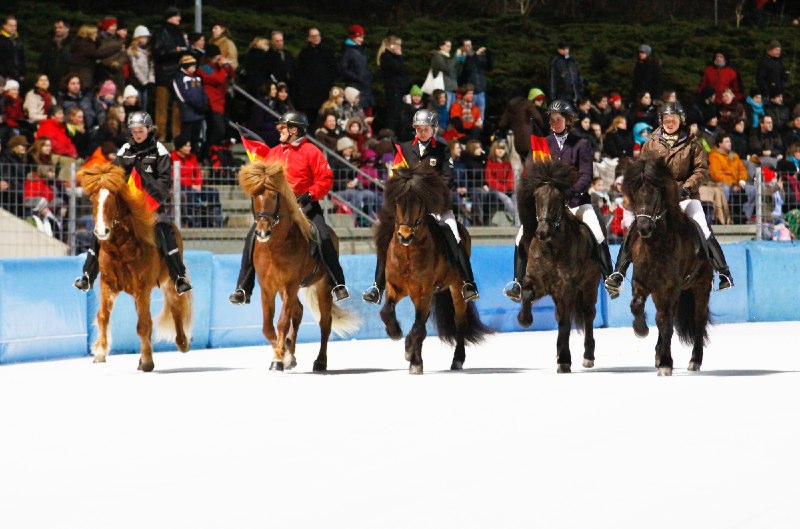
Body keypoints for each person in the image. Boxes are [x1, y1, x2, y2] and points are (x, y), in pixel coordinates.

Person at [604, 102, 734, 297]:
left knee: (701, 226)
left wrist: (685, 188)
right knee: (635, 226)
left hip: (685, 196)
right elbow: (642, 167)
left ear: (680, 121)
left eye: (673, 120)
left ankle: (723, 272)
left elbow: (701, 171)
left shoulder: (692, 143)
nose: (669, 123)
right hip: (658, 199)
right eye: (666, 120)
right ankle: (619, 273)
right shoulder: (651, 142)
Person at [228, 111, 349, 305]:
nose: (280, 131)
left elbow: (325, 179)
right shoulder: (274, 152)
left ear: (295, 130)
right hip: (278, 209)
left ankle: (337, 284)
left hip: (306, 204)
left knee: (323, 235)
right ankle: (243, 288)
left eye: (283, 127)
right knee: (251, 237)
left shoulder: (312, 151)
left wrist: (309, 194)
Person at [362, 108, 479, 305]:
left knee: (453, 232)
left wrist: (429, 196)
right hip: (408, 206)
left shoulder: (442, 148)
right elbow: (396, 176)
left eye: (425, 129)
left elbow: (447, 177)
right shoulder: (404, 149)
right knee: (385, 235)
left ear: (433, 129)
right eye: (418, 129)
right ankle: (378, 286)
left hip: (435, 205)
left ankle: (468, 282)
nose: (421, 133)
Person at [503, 99, 613, 302]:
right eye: (551, 120)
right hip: (548, 206)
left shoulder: (580, 143)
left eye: (558, 119)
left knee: (596, 231)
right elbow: (533, 174)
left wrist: (570, 192)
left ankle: (610, 277)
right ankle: (518, 283)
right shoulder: (543, 145)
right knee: (520, 237)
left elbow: (586, 175)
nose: (554, 123)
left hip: (575, 201)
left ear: (568, 120)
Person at [73, 110, 192, 294]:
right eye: (134, 131)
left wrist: (143, 176)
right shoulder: (124, 150)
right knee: (101, 229)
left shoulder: (160, 151)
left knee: (165, 231)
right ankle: (88, 275)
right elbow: (114, 176)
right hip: (127, 206)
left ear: (149, 129)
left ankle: (178, 277)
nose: (137, 135)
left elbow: (163, 186)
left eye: (141, 131)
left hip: (150, 205)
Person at [153, 7, 189, 142]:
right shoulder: (161, 33)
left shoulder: (179, 33)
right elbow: (158, 52)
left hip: (177, 73)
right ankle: (160, 135)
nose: (179, 18)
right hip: (164, 73)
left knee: (177, 106)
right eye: (176, 16)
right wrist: (175, 51)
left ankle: (177, 136)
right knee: (161, 106)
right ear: (170, 17)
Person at [294, 28, 337, 126]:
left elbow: (333, 70)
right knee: (311, 118)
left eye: (317, 35)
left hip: (324, 91)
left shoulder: (327, 52)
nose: (316, 38)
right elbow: (299, 73)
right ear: (309, 38)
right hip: (309, 94)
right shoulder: (304, 53)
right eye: (313, 36)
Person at [172, 54, 208, 155]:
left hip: (198, 113)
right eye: (192, 66)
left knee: (196, 138)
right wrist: (195, 105)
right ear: (186, 66)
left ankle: (194, 158)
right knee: (186, 137)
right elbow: (183, 95)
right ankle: (185, 158)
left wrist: (204, 104)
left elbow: (202, 92)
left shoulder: (196, 78)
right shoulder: (178, 78)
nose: (195, 68)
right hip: (188, 113)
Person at [378, 35, 408, 136]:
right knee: (393, 112)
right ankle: (390, 133)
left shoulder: (392, 57)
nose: (400, 47)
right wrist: (399, 56)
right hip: (392, 89)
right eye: (397, 45)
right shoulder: (386, 57)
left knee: (397, 112)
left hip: (397, 89)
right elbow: (398, 69)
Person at [455, 38, 492, 121]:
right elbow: (467, 69)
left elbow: (489, 67)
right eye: (467, 45)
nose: (470, 47)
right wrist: (475, 55)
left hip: (480, 91)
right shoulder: (461, 59)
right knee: (469, 118)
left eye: (470, 45)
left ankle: (478, 132)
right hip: (469, 93)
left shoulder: (476, 57)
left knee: (480, 118)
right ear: (463, 47)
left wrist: (488, 54)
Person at [340, 25, 373, 114]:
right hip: (355, 88)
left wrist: (368, 76)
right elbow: (343, 70)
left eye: (362, 37)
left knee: (368, 113)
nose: (362, 40)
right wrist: (357, 78)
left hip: (365, 86)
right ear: (353, 37)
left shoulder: (360, 50)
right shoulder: (348, 51)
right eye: (359, 37)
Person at [38, 18, 72, 95]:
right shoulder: (49, 44)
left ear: (67, 29)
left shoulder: (72, 45)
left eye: (60, 27)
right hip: (50, 81)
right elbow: (43, 62)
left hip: (66, 80)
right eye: (56, 28)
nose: (57, 30)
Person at [0, 15, 25, 83]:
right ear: (4, 26)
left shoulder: (18, 40)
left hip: (17, 76)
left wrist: (22, 73)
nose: (13, 28)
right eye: (10, 25)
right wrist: (4, 74)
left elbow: (22, 58)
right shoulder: (1, 40)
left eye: (15, 25)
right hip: (4, 77)